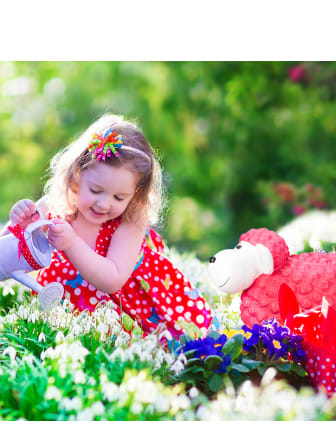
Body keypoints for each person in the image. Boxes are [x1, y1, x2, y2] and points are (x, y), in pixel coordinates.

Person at [5, 113, 213, 344]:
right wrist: (19, 226)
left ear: (136, 194)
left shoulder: (130, 221)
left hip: (134, 315)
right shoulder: (55, 205)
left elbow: (111, 280)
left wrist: (72, 244)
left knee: (176, 349)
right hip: (73, 318)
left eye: (119, 196)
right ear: (76, 177)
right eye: (95, 190)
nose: (104, 203)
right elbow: (5, 252)